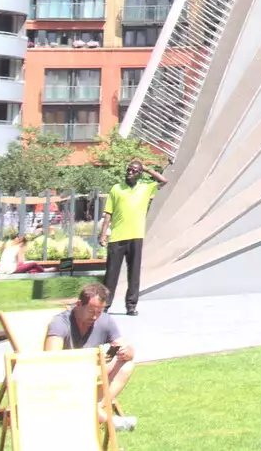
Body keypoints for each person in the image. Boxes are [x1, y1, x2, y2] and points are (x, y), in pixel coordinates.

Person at [45, 283, 136, 431]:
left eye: (99, 311)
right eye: (91, 311)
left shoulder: (105, 321)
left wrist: (127, 351)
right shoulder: (60, 323)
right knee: (89, 371)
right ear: (79, 304)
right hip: (65, 378)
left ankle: (94, 409)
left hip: (91, 375)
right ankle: (107, 420)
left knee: (127, 365)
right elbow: (51, 359)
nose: (94, 316)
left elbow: (127, 349)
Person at [100, 158, 169, 317]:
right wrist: (103, 233)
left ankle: (131, 306)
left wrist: (146, 169)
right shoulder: (116, 189)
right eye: (128, 170)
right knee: (111, 273)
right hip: (117, 237)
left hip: (136, 236)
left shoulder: (146, 188)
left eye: (133, 171)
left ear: (139, 174)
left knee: (134, 274)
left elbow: (164, 181)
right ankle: (105, 305)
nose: (129, 173)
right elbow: (108, 213)